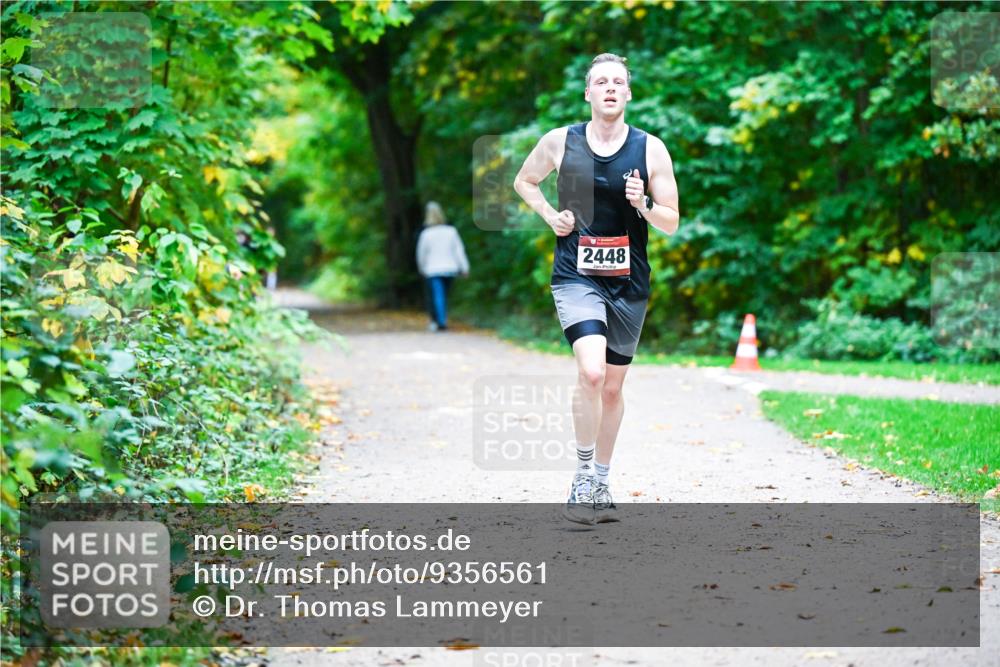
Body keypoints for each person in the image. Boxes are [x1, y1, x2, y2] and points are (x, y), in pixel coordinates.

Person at [513, 53, 680, 524]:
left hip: (628, 284)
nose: (609, 88)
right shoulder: (560, 142)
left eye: (618, 82)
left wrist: (643, 204)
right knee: (590, 373)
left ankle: (602, 480)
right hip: (576, 275)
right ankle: (582, 474)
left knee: (611, 387)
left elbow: (671, 220)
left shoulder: (650, 150)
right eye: (600, 82)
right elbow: (524, 181)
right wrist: (551, 216)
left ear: (628, 93)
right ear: (587, 93)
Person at [416, 201, 469, 331]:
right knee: (443, 295)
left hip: (432, 270)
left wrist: (422, 268)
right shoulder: (451, 231)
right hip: (450, 269)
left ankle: (439, 321)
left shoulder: (426, 234)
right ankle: (441, 320)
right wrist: (465, 268)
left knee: (437, 295)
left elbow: (421, 254)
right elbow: (459, 250)